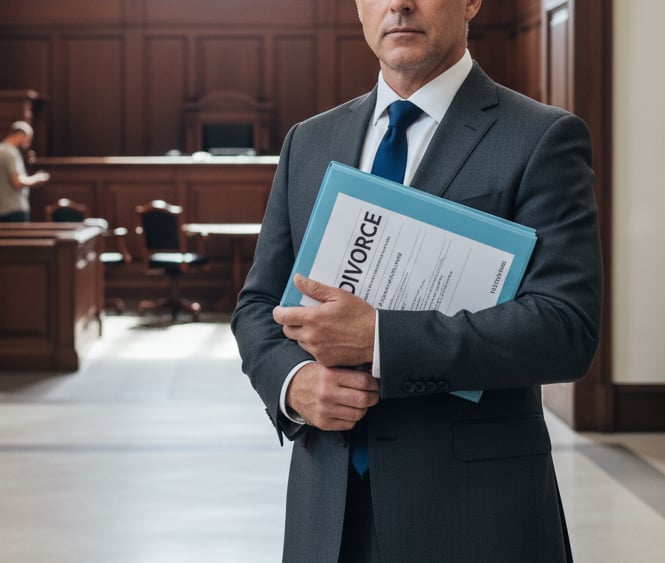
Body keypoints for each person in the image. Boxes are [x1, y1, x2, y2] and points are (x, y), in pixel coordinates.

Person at [231, 0, 602, 561]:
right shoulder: (308, 142)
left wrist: (380, 338)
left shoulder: (542, 138)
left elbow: (565, 330)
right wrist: (294, 382)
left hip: (475, 515)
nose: (399, 3)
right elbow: (258, 304)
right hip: (326, 513)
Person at [0, 121, 50, 222]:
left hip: (1, 208)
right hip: (15, 208)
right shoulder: (11, 153)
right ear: (20, 135)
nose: (29, 143)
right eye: (28, 138)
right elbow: (17, 182)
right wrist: (37, 178)